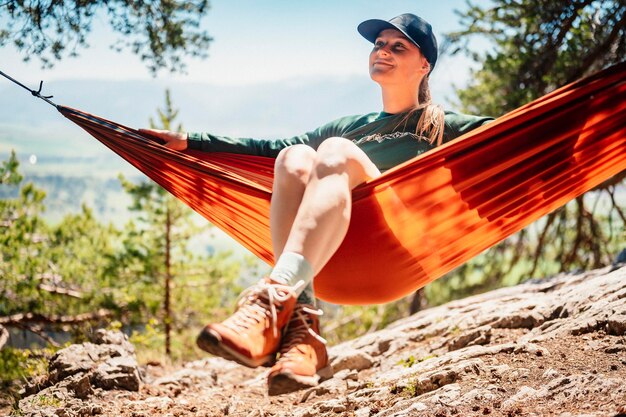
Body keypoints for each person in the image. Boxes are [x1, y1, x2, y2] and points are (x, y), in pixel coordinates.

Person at [141, 13, 493, 395]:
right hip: (332, 254)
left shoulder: (443, 125)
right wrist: (191, 141)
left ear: (424, 64)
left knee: (336, 151)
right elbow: (268, 149)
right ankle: (303, 333)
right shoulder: (350, 125)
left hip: (389, 249)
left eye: (398, 47)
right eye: (379, 44)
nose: (383, 51)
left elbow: (519, 134)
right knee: (293, 157)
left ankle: (271, 299)